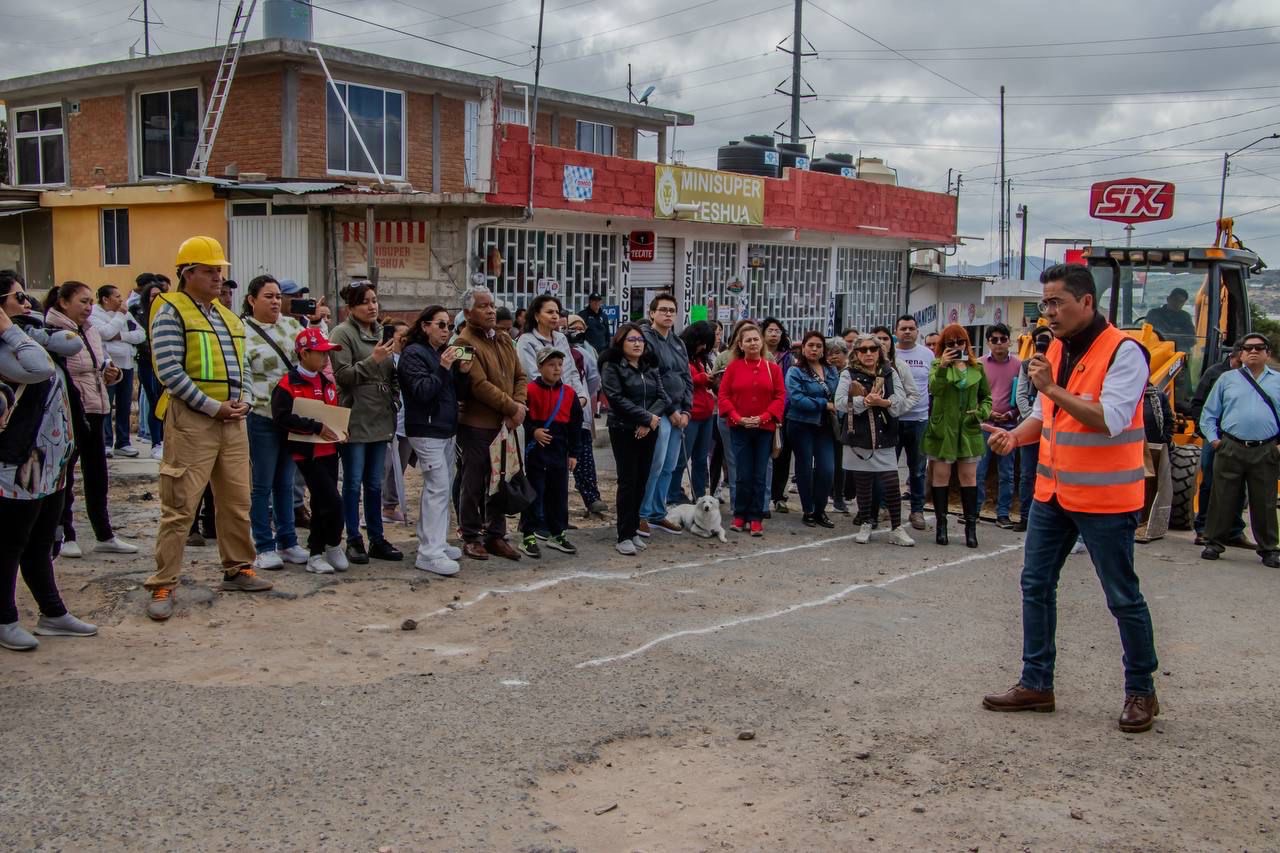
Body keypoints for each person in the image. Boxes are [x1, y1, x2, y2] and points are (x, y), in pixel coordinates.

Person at [980, 263, 1159, 733]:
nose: (1049, 312)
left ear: (1086, 301)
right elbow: (1044, 414)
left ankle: (1141, 690)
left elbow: (1111, 419)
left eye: (1057, 302)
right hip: (1053, 493)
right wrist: (1013, 438)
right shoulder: (1055, 351)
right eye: (1045, 303)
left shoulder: (1124, 351)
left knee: (1122, 597)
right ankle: (1036, 683)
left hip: (1105, 500)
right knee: (1035, 585)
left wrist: (1051, 388)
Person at [143, 236, 271, 622]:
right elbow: (168, 370)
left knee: (236, 500)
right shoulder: (170, 310)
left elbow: (244, 367)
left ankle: (238, 567)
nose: (219, 277)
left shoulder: (228, 317)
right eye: (211, 270)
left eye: (220, 271)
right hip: (192, 420)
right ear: (188, 273)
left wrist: (245, 400)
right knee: (180, 504)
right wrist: (211, 407)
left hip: (231, 420)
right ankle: (164, 582)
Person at [0, 275, 99, 651]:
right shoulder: (9, 345)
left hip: (52, 463)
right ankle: (5, 618)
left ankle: (52, 613)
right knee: (10, 544)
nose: (28, 302)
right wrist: (11, 330)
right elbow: (38, 367)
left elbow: (69, 343)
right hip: (18, 463)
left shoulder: (30, 334)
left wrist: (28, 330)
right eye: (18, 297)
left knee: (40, 543)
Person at [43, 282, 137, 558]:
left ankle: (104, 534)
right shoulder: (53, 333)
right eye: (82, 302)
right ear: (63, 302)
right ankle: (65, 533)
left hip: (97, 406)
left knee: (98, 473)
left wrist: (112, 374)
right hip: (68, 411)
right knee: (66, 475)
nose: (88, 307)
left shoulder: (90, 330)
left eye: (89, 302)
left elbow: (102, 362)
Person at [328, 281, 404, 565]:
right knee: (352, 482)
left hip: (381, 417)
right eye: (365, 302)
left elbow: (392, 372)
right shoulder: (342, 333)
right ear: (351, 307)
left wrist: (394, 399)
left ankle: (377, 537)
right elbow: (342, 375)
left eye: (374, 300)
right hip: (355, 417)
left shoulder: (380, 332)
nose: (372, 306)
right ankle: (353, 539)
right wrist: (373, 359)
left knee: (375, 482)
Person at [240, 275, 308, 570]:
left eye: (278, 296)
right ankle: (264, 545)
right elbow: (242, 372)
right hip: (262, 414)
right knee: (262, 484)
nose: (275, 301)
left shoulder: (292, 326)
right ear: (252, 300)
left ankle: (288, 541)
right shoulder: (241, 331)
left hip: (291, 415)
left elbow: (309, 360)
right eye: (268, 296)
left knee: (286, 481)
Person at [455, 286, 527, 561]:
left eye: (491, 305)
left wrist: (517, 406)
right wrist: (511, 407)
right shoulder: (463, 343)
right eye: (483, 306)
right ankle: (471, 535)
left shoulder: (505, 340)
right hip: (477, 424)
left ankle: (496, 534)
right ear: (468, 312)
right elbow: (478, 384)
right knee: (473, 482)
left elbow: (521, 376)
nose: (490, 311)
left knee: (502, 480)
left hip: (505, 423)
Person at [270, 327, 350, 575]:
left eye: (327, 353)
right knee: (333, 502)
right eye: (320, 353)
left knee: (322, 501)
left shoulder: (326, 382)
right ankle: (325, 547)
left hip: (328, 451)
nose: (325, 358)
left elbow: (332, 413)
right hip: (306, 453)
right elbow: (282, 417)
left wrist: (340, 432)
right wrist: (315, 426)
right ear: (304, 353)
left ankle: (324, 548)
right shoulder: (287, 384)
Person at [398, 305, 471, 576]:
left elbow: (453, 392)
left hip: (445, 429)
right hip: (426, 429)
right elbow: (422, 391)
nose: (446, 331)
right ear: (425, 325)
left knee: (441, 486)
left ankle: (436, 542)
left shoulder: (441, 354)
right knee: (437, 488)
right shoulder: (413, 354)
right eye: (441, 325)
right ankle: (429, 553)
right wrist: (443, 368)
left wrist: (461, 372)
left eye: (449, 326)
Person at [1199, 332, 1280, 568]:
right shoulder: (1227, 380)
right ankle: (1213, 542)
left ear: (1268, 353)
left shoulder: (1277, 381)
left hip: (1266, 448)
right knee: (1222, 496)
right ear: (1241, 354)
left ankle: (1269, 549)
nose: (1253, 352)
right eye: (1248, 348)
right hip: (1231, 445)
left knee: (1264, 500)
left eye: (1259, 348)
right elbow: (1209, 414)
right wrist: (1215, 440)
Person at [837, 333, 914, 546]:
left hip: (884, 433)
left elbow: (899, 401)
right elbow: (841, 402)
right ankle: (866, 522)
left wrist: (883, 402)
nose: (868, 353)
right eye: (863, 350)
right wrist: (864, 401)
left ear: (880, 351)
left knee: (890, 482)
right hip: (858, 434)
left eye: (873, 349)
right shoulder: (848, 374)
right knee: (863, 482)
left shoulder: (890, 373)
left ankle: (896, 528)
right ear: (856, 353)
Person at [600, 323, 668, 555]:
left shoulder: (649, 365)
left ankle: (633, 529)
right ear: (621, 342)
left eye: (640, 339)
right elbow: (616, 398)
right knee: (628, 481)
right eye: (632, 339)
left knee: (642, 479)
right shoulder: (612, 366)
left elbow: (662, 396)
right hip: (623, 429)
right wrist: (646, 417)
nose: (638, 343)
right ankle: (623, 535)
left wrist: (650, 421)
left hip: (648, 429)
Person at [923, 324, 991, 548]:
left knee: (969, 477)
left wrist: (981, 413)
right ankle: (941, 527)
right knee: (940, 476)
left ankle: (970, 528)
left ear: (966, 343)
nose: (955, 347)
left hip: (968, 427)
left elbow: (986, 398)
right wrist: (943, 366)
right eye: (949, 343)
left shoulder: (977, 367)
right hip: (943, 428)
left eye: (959, 342)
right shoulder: (936, 365)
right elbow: (934, 388)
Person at [718, 322, 786, 536]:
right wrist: (738, 418)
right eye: (748, 340)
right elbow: (724, 396)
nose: (753, 343)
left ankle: (756, 517)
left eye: (756, 339)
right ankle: (740, 514)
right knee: (742, 473)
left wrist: (764, 417)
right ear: (741, 344)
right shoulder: (733, 368)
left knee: (759, 474)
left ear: (761, 342)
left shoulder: (772, 368)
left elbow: (780, 396)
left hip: (764, 428)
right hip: (739, 428)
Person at [518, 347, 583, 558]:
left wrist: (573, 453)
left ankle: (558, 533)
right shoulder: (529, 391)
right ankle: (528, 534)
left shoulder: (570, 394)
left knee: (559, 495)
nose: (556, 369)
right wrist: (533, 431)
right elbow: (523, 419)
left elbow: (575, 426)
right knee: (533, 494)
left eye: (559, 365)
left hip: (559, 453)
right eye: (551, 365)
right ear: (539, 367)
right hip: (535, 454)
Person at [639, 293, 693, 535]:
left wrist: (687, 410)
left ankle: (657, 513)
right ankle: (641, 513)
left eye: (672, 310)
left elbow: (686, 377)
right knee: (655, 464)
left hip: (680, 411)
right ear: (652, 313)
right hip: (658, 411)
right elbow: (654, 378)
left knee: (670, 465)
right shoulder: (646, 340)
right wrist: (671, 410)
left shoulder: (679, 343)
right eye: (663, 310)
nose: (668, 314)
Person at [1188, 345, 1248, 546]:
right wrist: (1205, 432)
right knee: (1210, 481)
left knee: (1240, 485)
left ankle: (1234, 531)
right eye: (1241, 360)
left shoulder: (1253, 377)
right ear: (1234, 355)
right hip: (1215, 436)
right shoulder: (1215, 373)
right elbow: (1198, 403)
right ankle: (1203, 528)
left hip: (1242, 439)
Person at [785, 331, 838, 528]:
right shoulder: (795, 371)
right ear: (803, 348)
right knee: (804, 468)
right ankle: (808, 509)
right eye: (811, 345)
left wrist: (833, 405)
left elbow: (839, 394)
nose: (814, 349)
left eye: (818, 346)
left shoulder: (832, 370)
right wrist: (824, 404)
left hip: (825, 426)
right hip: (801, 423)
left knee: (827, 469)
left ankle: (820, 509)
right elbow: (796, 399)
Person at [91, 284, 146, 457]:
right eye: (117, 296)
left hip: (127, 364)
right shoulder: (94, 314)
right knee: (107, 404)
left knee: (124, 405)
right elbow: (105, 333)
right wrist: (119, 318)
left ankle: (123, 441)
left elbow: (141, 334)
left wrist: (121, 336)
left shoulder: (125, 313)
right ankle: (106, 441)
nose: (121, 300)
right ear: (105, 299)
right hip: (109, 366)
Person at [975, 323, 1021, 528]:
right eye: (994, 340)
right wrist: (988, 412)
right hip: (985, 425)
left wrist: (1011, 413)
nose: (999, 343)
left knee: (1007, 473)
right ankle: (974, 510)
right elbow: (973, 397)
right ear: (988, 343)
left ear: (1009, 341)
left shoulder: (1019, 366)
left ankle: (1003, 513)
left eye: (1003, 339)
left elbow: (1023, 396)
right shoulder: (979, 365)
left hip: (1009, 426)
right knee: (979, 470)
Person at [668, 321, 717, 505]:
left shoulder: (700, 359)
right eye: (702, 343)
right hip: (690, 414)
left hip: (705, 413)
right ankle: (673, 494)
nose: (704, 347)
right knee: (681, 458)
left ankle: (700, 496)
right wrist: (701, 378)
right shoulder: (680, 356)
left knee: (700, 459)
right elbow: (681, 381)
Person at [894, 314, 934, 529]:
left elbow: (932, 386)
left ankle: (917, 510)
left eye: (911, 328)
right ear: (896, 331)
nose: (907, 332)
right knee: (889, 467)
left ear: (918, 331)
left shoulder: (927, 355)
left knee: (917, 469)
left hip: (919, 419)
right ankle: (885, 506)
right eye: (903, 328)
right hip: (893, 418)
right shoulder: (890, 354)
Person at [565, 313, 607, 515]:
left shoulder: (585, 352)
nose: (576, 332)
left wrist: (582, 400)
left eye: (579, 328)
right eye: (572, 328)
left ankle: (591, 497)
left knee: (584, 457)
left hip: (580, 412)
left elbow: (593, 379)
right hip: (554, 416)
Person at [1013, 326, 1055, 531]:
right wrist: (1033, 419)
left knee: (1048, 474)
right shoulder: (1027, 365)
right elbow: (1021, 395)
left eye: (1046, 341)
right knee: (1027, 474)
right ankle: (1025, 517)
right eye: (1039, 341)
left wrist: (1045, 421)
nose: (1043, 345)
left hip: (1052, 428)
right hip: (1031, 423)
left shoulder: (1059, 364)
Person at [131, 274, 169, 460]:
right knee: (154, 401)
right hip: (147, 363)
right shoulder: (140, 315)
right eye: (152, 295)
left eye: (159, 295)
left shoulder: (169, 315)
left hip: (166, 365)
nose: (156, 299)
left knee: (167, 403)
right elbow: (141, 340)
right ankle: (156, 442)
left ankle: (166, 439)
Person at [381, 320, 414, 525]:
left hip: (407, 422)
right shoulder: (386, 359)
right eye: (401, 335)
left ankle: (390, 506)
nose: (405, 339)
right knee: (383, 468)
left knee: (399, 467)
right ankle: (376, 508)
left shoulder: (411, 359)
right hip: (388, 421)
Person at [762, 317, 795, 514]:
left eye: (777, 331)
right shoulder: (757, 354)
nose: (774, 334)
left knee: (781, 453)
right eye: (770, 330)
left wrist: (780, 410)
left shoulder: (787, 357)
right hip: (760, 413)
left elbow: (787, 388)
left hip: (783, 412)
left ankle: (778, 495)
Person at [825, 337, 852, 514]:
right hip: (826, 420)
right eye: (829, 353)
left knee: (841, 461)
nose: (833, 357)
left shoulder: (850, 372)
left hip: (844, 421)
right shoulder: (823, 372)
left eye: (837, 353)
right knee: (827, 461)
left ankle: (840, 496)